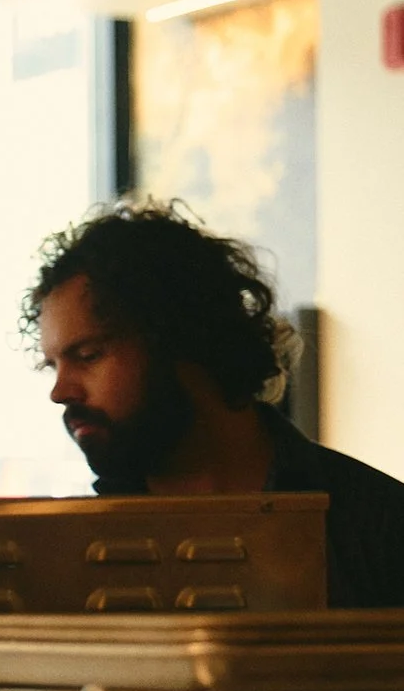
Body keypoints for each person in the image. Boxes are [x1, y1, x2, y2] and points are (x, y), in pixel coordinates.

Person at [22, 200, 404, 607]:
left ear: (179, 338)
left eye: (88, 355)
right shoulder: (75, 551)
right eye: (53, 366)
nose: (60, 392)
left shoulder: (379, 527)